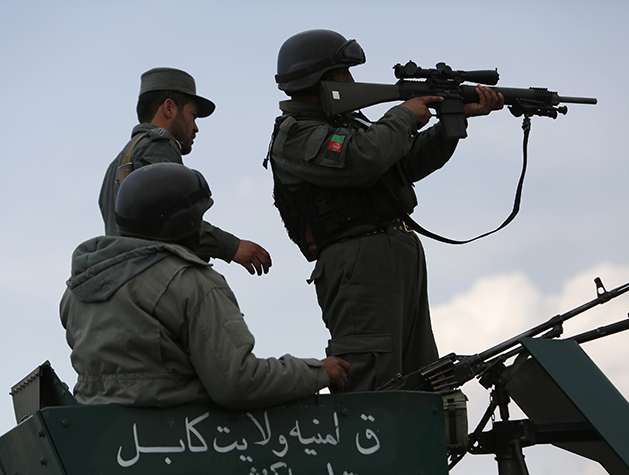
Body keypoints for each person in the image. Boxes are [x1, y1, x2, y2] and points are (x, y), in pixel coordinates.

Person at [266, 29, 504, 391]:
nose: (351, 81)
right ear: (316, 80)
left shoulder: (348, 124)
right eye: (342, 73)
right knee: (372, 380)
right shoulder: (296, 134)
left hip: (395, 254)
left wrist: (453, 120)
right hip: (358, 264)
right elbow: (364, 157)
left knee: (421, 378)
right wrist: (404, 115)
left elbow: (403, 164)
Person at [61, 162, 350, 409]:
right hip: (183, 442)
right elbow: (237, 382)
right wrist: (318, 372)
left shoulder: (77, 292)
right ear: (183, 223)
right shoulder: (190, 283)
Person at [99, 67, 271, 276]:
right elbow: (170, 219)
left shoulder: (117, 163)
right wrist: (233, 247)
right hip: (155, 277)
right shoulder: (159, 145)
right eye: (193, 115)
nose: (196, 127)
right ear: (169, 108)